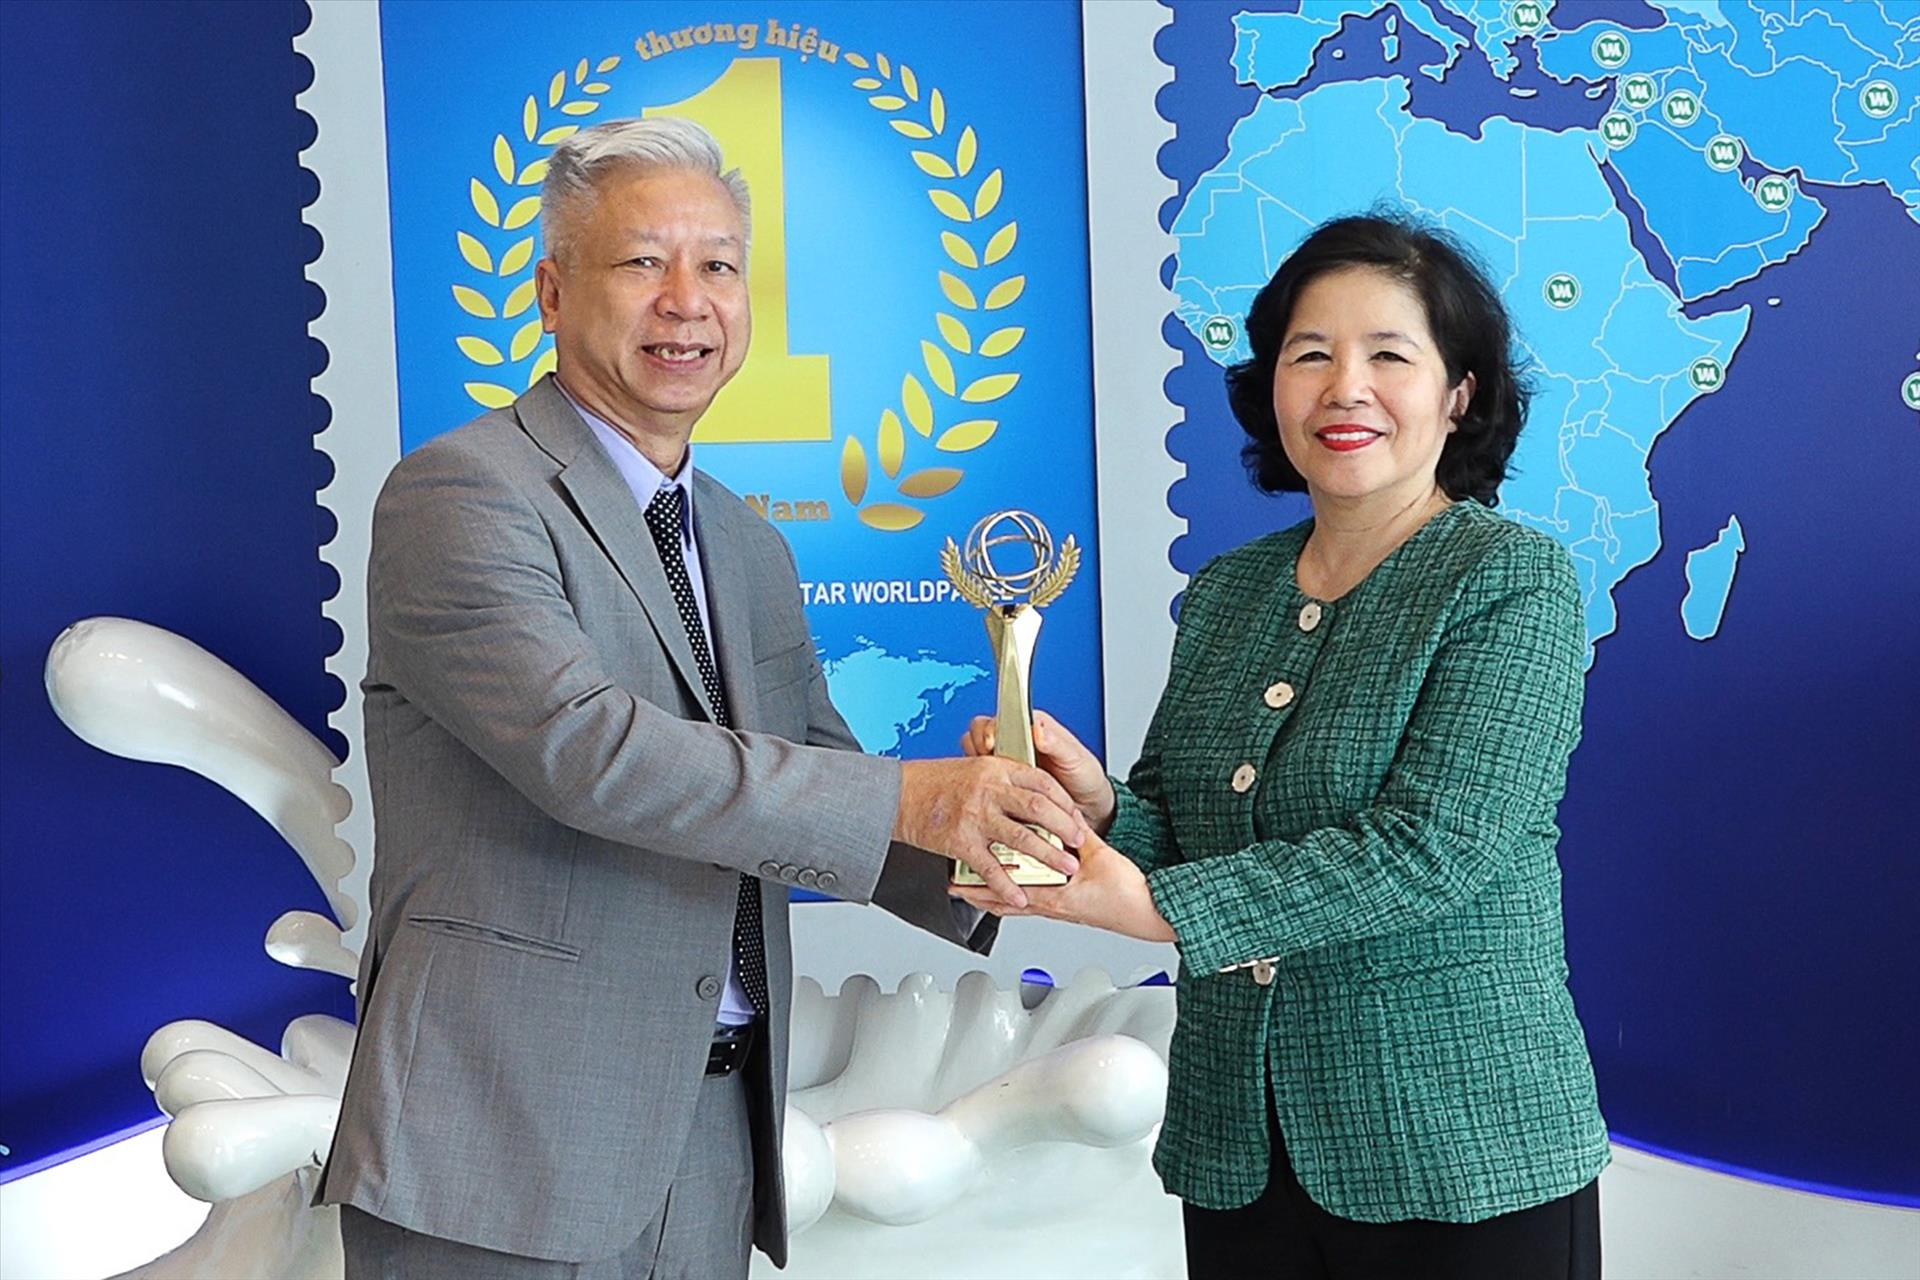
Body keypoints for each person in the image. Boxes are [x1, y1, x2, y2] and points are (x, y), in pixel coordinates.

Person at [317, 116, 1088, 1280]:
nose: (688, 301)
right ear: (551, 291)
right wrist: (920, 796)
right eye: (643, 262)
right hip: (502, 1143)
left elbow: (824, 776)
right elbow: (592, 753)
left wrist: (1027, 835)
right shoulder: (461, 494)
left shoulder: (743, 540)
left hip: (713, 1137)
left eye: (719, 265)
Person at [956, 213, 1608, 1278]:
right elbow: (1188, 830)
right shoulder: (1231, 591)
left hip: (1456, 1149)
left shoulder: (1509, 580)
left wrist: (1148, 905)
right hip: (1243, 1153)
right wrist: (1103, 808)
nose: (1345, 388)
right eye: (1311, 355)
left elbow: (1432, 849)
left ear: (1460, 394)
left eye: (1389, 356)